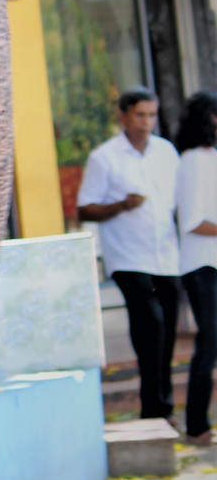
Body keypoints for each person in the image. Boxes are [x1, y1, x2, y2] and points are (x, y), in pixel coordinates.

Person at [77, 86, 180, 424]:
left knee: (167, 328)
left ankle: (161, 406)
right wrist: (122, 205)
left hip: (167, 255)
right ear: (123, 116)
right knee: (151, 323)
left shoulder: (166, 152)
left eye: (151, 115)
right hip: (128, 257)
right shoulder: (104, 157)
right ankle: (155, 410)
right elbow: (85, 208)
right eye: (140, 115)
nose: (146, 122)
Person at [175, 91, 217, 446]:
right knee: (210, 341)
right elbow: (191, 220)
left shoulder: (210, 158)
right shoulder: (192, 160)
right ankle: (196, 425)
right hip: (201, 265)